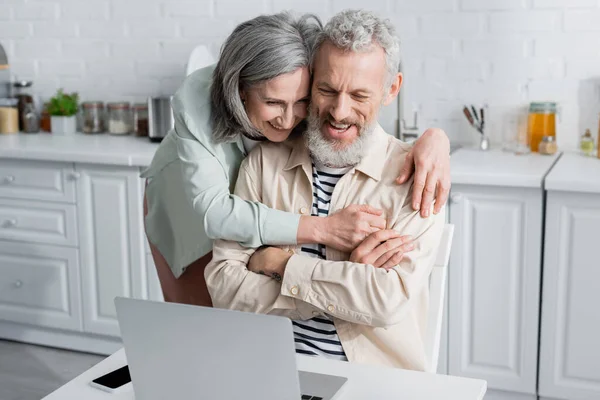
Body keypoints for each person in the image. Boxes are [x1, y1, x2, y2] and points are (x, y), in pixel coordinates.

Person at [141, 12, 450, 307]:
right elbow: (216, 214)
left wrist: (436, 138)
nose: (289, 121)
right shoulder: (195, 99)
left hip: (256, 195)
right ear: (241, 91)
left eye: (301, 101)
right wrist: (324, 230)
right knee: (196, 321)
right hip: (188, 199)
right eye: (274, 102)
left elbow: (355, 110)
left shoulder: (308, 80)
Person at [204, 9, 445, 371]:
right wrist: (346, 276)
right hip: (267, 368)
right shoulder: (263, 164)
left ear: (390, 89)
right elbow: (224, 287)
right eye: (327, 90)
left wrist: (281, 265)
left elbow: (386, 302)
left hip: (373, 384)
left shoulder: (418, 177)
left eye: (360, 95)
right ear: (311, 79)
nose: (339, 111)